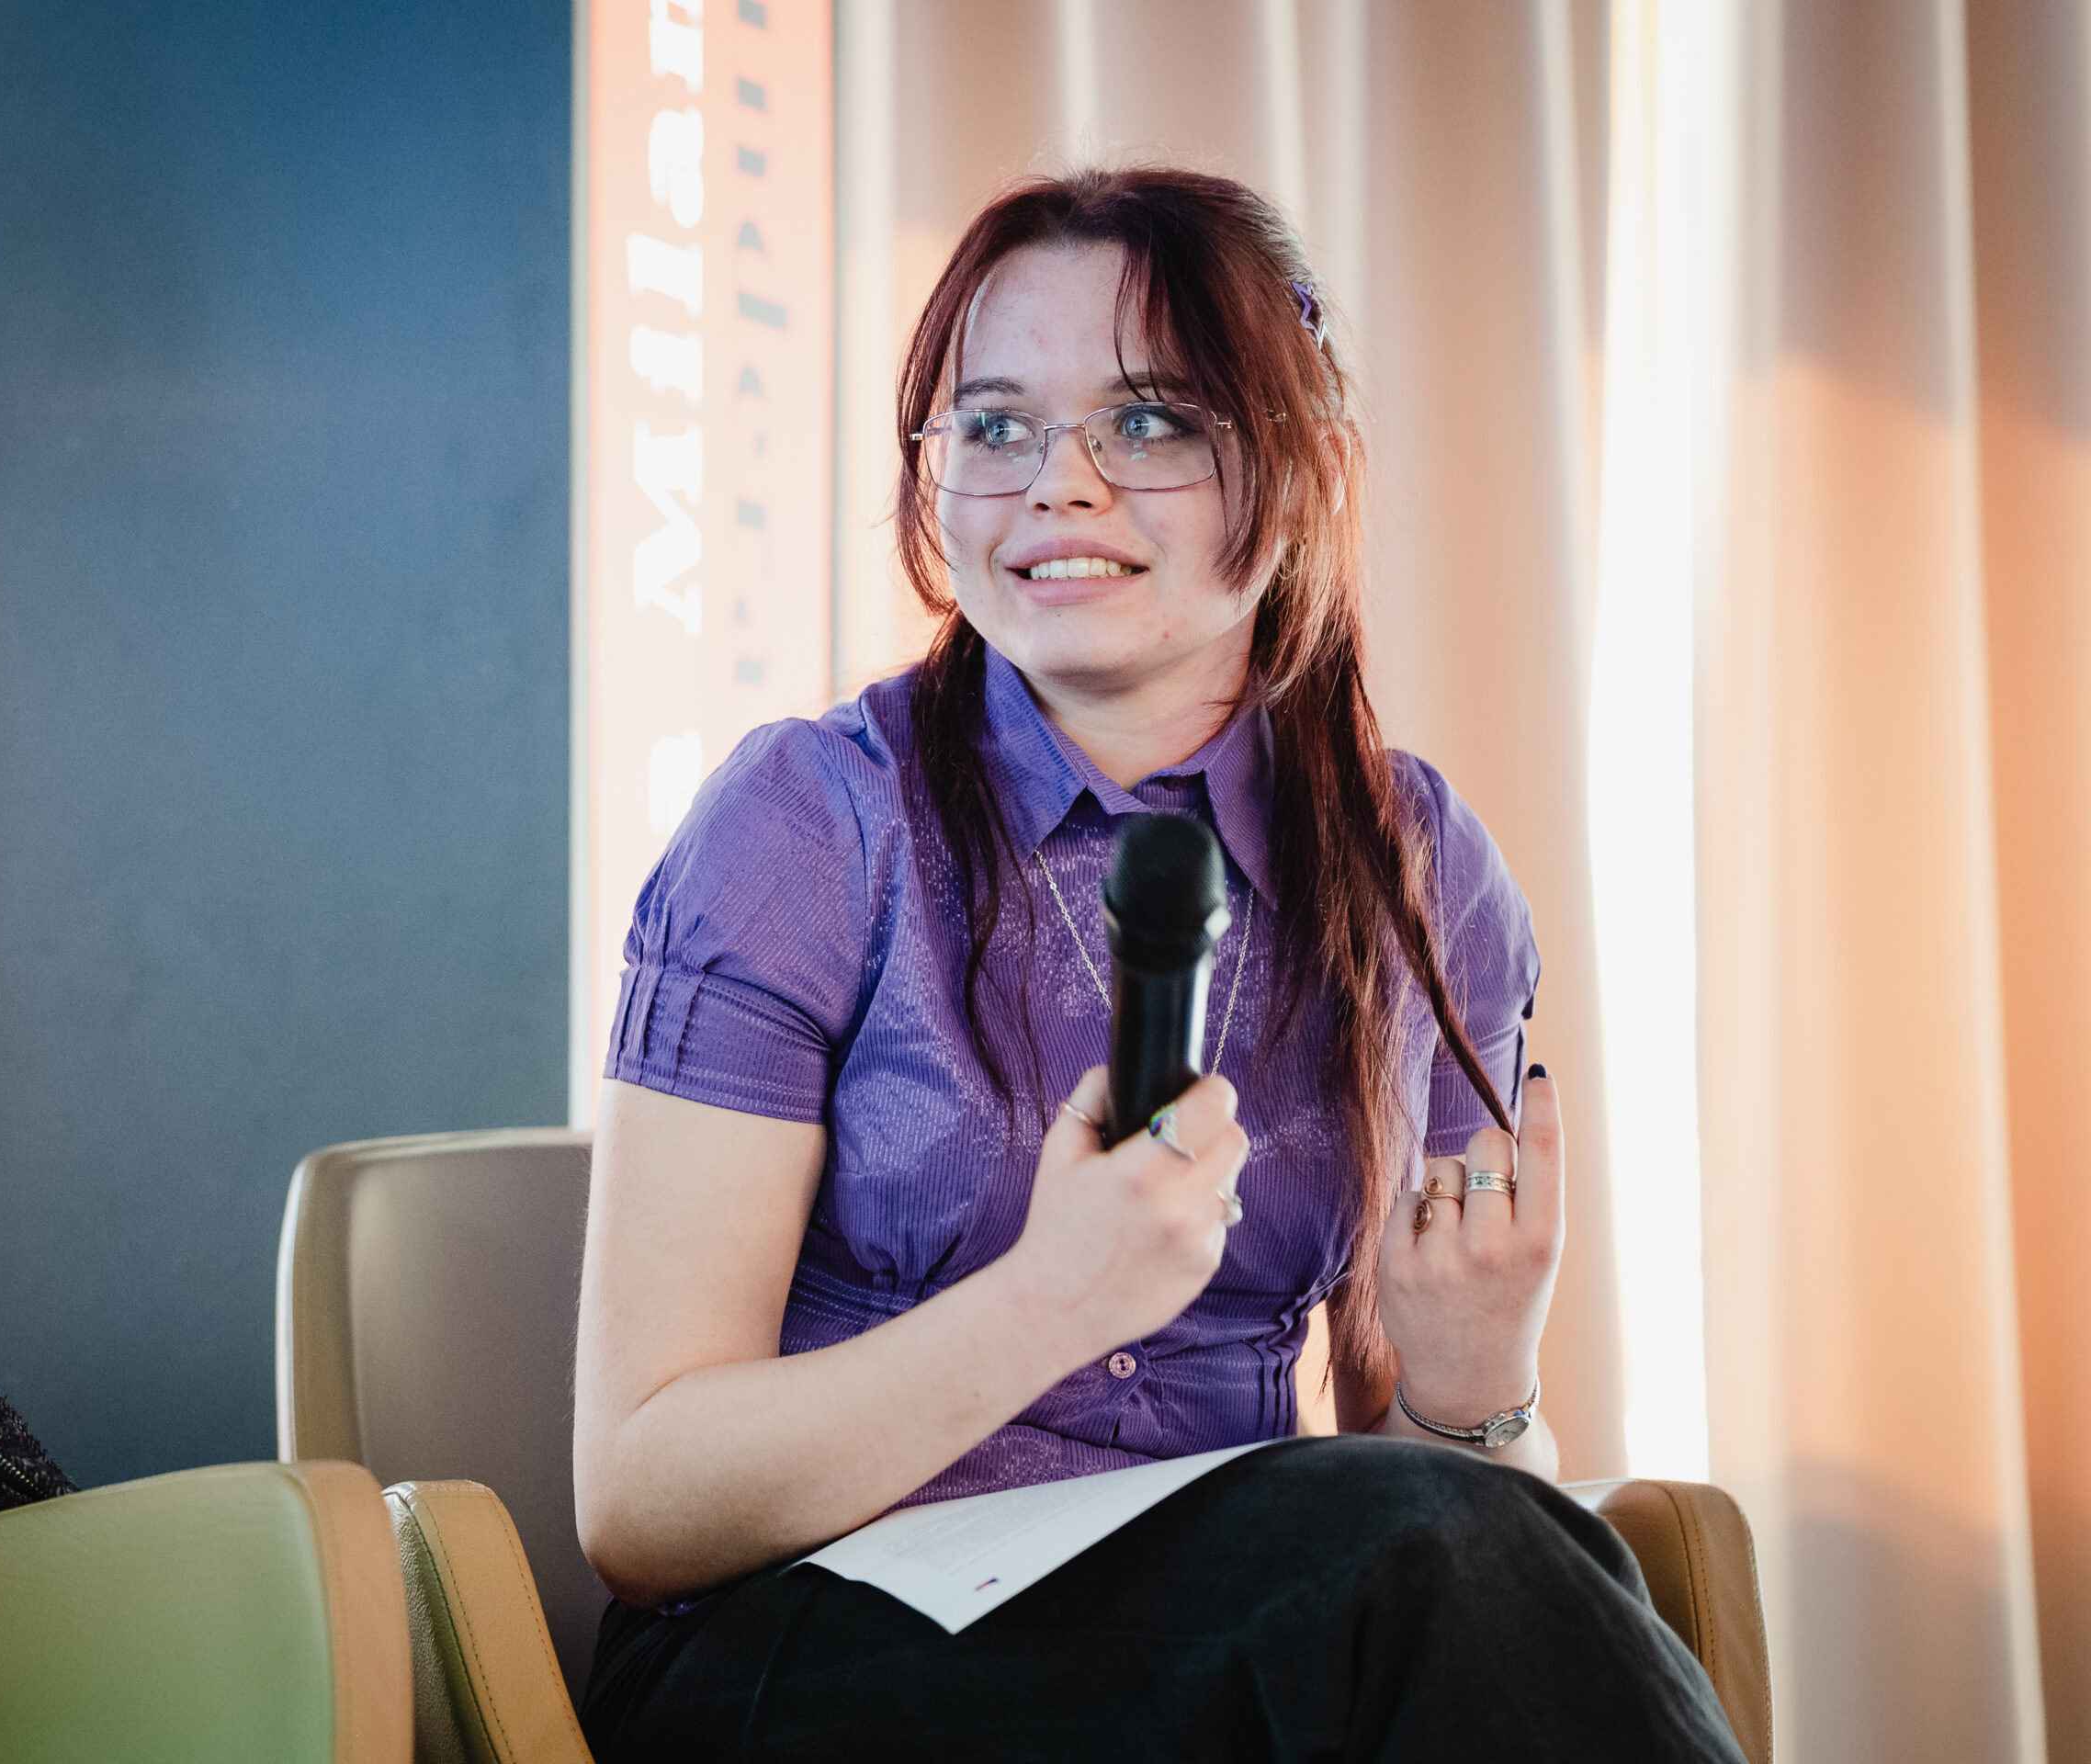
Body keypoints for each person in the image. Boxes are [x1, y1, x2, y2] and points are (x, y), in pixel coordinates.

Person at [574, 166, 1742, 1760]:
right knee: (1423, 1573)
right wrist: (1047, 1303)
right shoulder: (806, 825)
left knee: (1470, 1558)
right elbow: (638, 1502)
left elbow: (1450, 1521)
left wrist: (1478, 1388)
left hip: (1229, 1638)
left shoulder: (1422, 871)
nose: (1059, 485)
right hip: (807, 1640)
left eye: (1148, 421)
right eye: (995, 427)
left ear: (1302, 463)